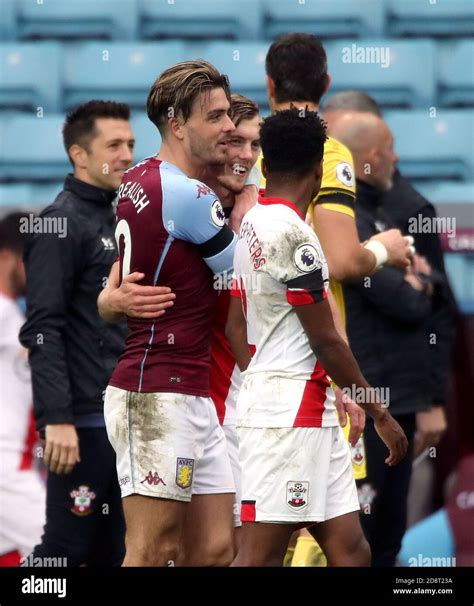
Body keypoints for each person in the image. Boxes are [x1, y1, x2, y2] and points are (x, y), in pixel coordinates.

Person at [257, 31, 415, 566]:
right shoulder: (325, 149)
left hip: (248, 367)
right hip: (311, 368)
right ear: (326, 84)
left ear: (269, 83)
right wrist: (383, 248)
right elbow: (343, 261)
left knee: (335, 541)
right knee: (294, 542)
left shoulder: (244, 146)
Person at [99, 93, 262, 555]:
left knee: (213, 549)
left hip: (200, 395)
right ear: (177, 125)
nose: (237, 147)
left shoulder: (141, 179)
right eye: (218, 123)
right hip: (159, 387)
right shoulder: (190, 195)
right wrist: (109, 301)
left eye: (248, 140)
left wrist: (109, 299)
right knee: (153, 549)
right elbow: (254, 280)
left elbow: (128, 269)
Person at [19, 100, 136, 566]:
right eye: (114, 145)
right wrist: (56, 420)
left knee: (117, 550)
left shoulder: (119, 217)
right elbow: (42, 327)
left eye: (130, 143)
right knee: (61, 552)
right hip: (81, 423)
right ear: (79, 155)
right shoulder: (59, 222)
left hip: (122, 418)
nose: (127, 154)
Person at [327, 109, 438, 566]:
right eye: (389, 148)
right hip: (360, 397)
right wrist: (413, 280)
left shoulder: (395, 206)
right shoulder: (341, 215)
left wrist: (420, 285)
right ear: (370, 156)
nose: (396, 157)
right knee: (359, 534)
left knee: (389, 534)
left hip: (399, 397)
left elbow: (431, 299)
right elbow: (408, 300)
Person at [322, 91, 452, 462]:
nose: (329, 150)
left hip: (395, 392)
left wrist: (433, 398)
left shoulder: (407, 206)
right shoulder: (336, 202)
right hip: (357, 389)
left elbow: (438, 308)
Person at [0, 213, 45, 566]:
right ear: (7, 258)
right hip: (6, 467)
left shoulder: (16, 316)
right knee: (55, 553)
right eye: (31, 259)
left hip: (19, 462)